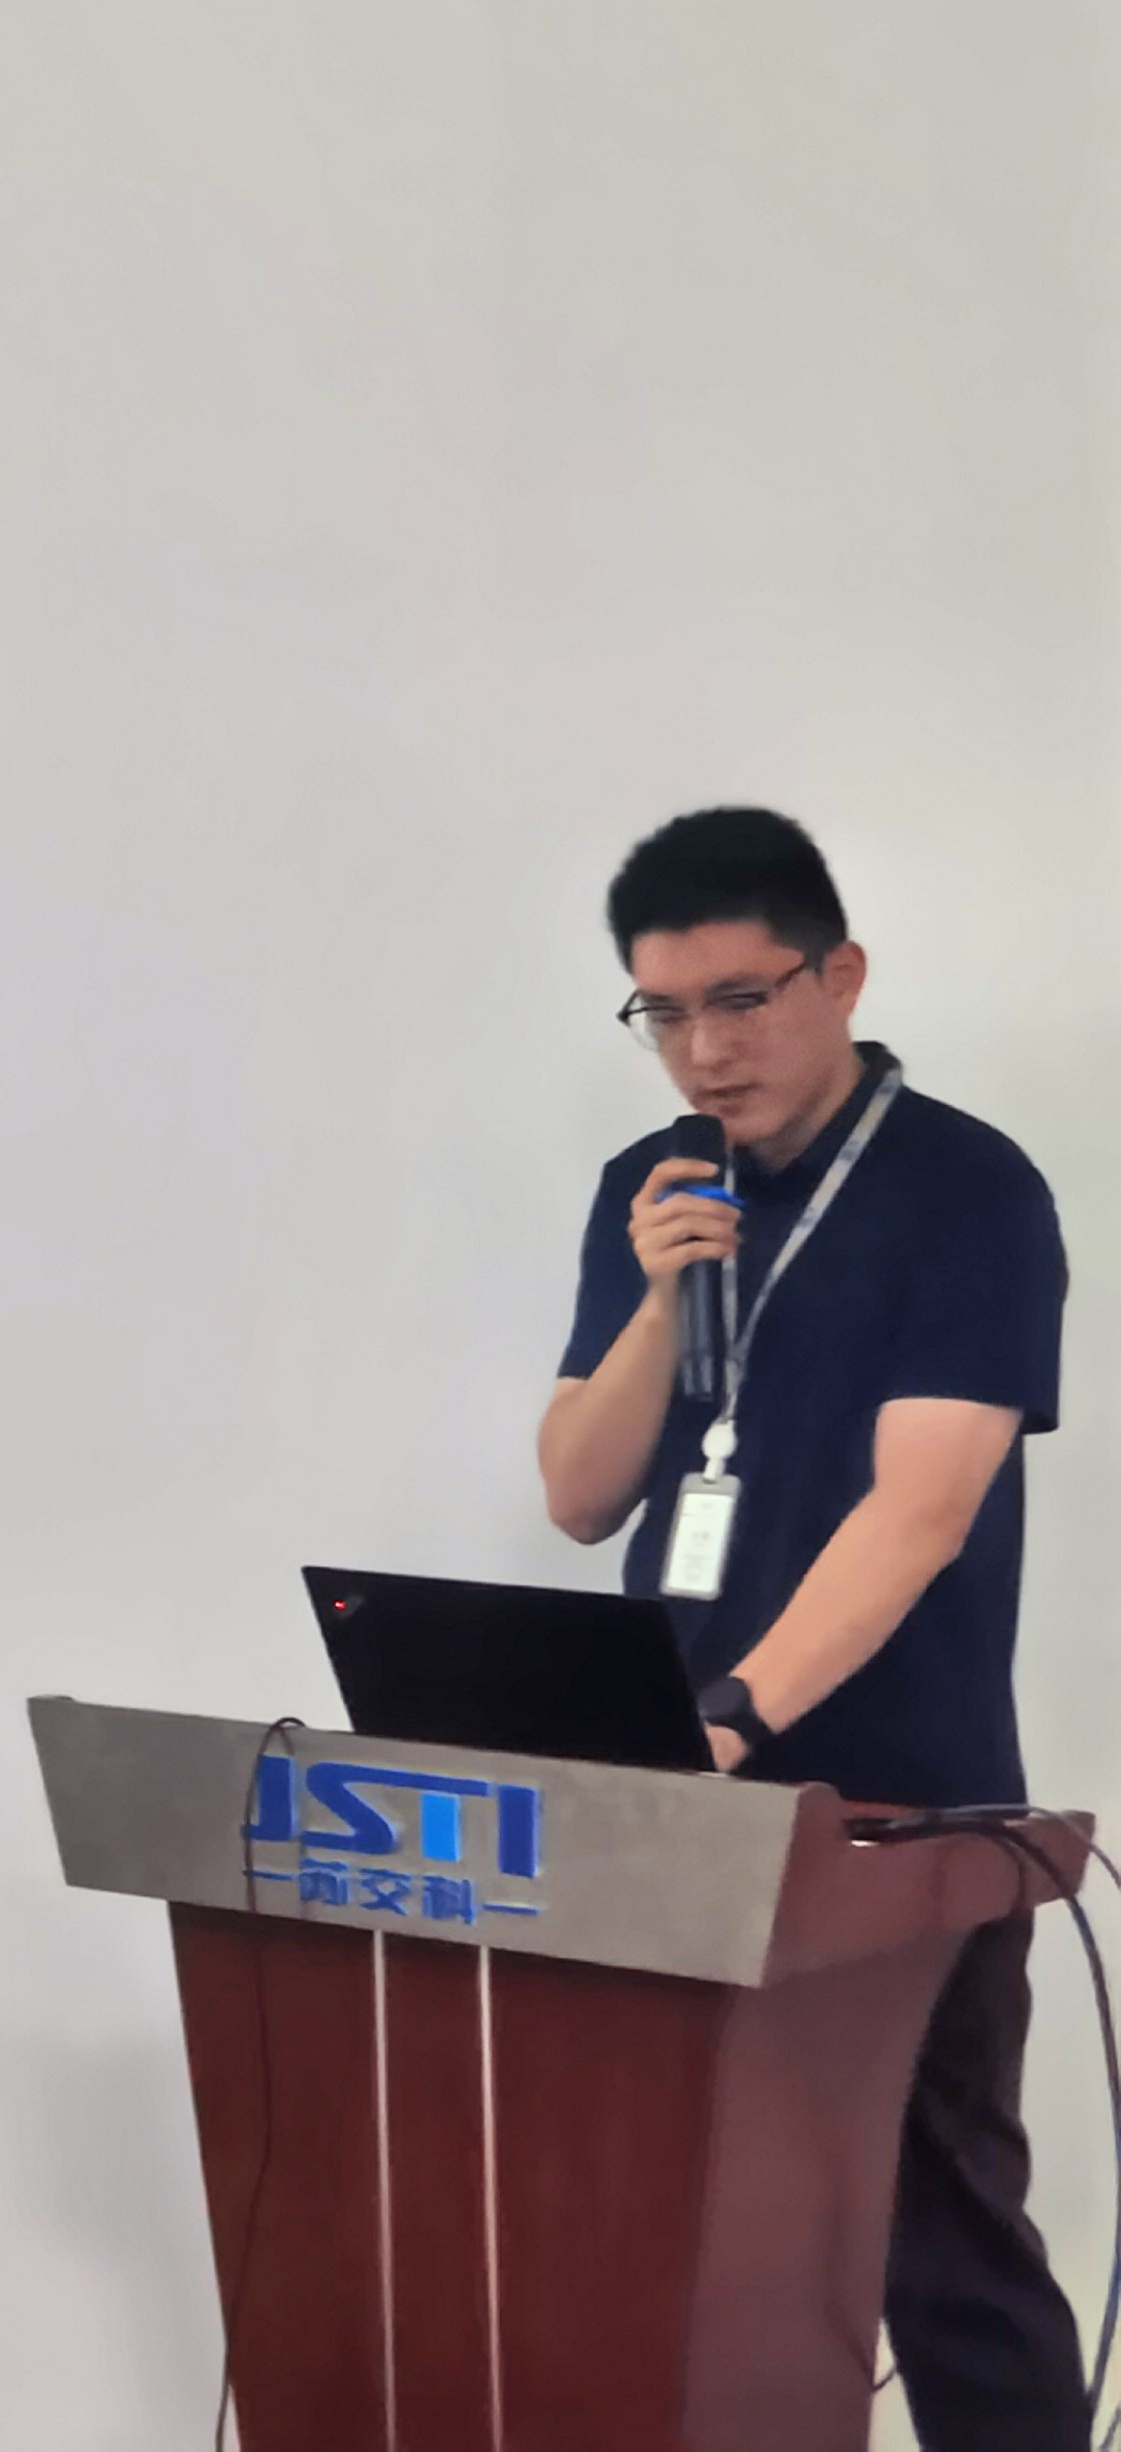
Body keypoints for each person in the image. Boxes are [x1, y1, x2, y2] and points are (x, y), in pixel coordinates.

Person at [537, 805, 1081, 2448]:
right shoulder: (652, 1189)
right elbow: (578, 1491)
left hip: (899, 1807)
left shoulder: (968, 1191)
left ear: (838, 977)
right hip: (675, 1802)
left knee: (943, 2247)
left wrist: (733, 1719)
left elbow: (920, 1513)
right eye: (662, 1013)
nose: (703, 1051)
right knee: (678, 2228)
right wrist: (656, 1296)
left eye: (740, 1000)